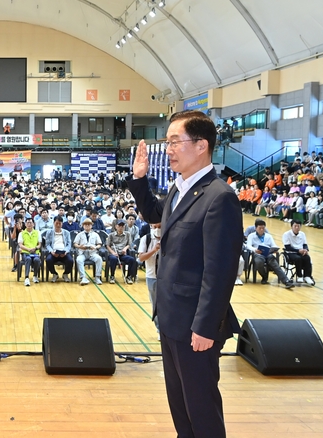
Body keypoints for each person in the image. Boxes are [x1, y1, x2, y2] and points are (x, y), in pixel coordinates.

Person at [127, 110, 243, 438]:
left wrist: (206, 327)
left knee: (201, 410)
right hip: (171, 318)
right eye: (167, 142)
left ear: (202, 145)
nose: (169, 149)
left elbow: (220, 271)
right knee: (180, 407)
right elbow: (154, 214)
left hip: (196, 327)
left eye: (175, 141)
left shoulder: (219, 198)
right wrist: (139, 179)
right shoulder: (181, 189)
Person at [138, 223, 161, 339]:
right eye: (155, 227)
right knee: (155, 304)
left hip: (168, 277)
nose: (157, 229)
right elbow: (141, 258)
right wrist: (154, 250)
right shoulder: (146, 239)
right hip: (152, 276)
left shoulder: (170, 237)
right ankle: (159, 329)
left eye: (159, 226)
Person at [282, 220, 314, 286]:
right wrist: (298, 251)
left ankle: (307, 276)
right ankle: (299, 276)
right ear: (291, 226)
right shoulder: (286, 234)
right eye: (295, 226)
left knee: (307, 258)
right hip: (290, 252)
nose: (297, 228)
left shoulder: (302, 234)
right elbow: (287, 247)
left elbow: (305, 244)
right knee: (298, 258)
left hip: (300, 251)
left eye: (298, 226)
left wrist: (306, 250)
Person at [43, 216, 73, 283]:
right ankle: (54, 274)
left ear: (62, 224)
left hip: (64, 252)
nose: (58, 225)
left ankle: (65, 274)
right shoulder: (49, 232)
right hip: (54, 252)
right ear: (53, 223)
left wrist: (66, 251)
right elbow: (47, 245)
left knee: (70, 260)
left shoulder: (66, 232)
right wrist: (51, 251)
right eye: (57, 223)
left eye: (60, 223)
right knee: (48, 260)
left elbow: (69, 244)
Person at [73, 218, 103, 285]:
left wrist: (95, 247)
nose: (87, 226)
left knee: (99, 259)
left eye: (88, 224)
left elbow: (99, 244)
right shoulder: (79, 234)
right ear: (83, 226)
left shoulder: (95, 234)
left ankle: (97, 277)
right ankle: (83, 277)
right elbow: (75, 244)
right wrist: (80, 246)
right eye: (85, 225)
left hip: (92, 253)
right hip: (82, 252)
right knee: (79, 260)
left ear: (91, 226)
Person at [18, 218, 41, 286]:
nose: (29, 224)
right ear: (25, 224)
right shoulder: (21, 233)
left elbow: (39, 244)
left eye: (31, 223)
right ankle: (26, 278)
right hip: (26, 252)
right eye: (27, 223)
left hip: (35, 252)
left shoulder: (37, 232)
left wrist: (35, 248)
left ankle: (35, 276)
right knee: (28, 259)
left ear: (33, 224)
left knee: (37, 260)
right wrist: (28, 249)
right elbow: (20, 245)